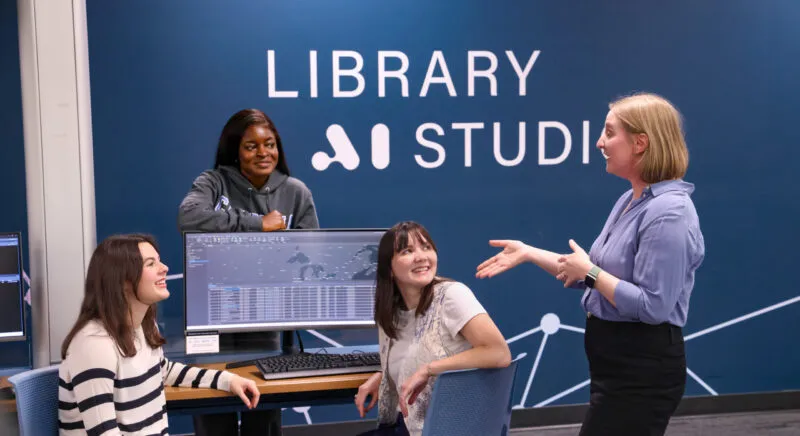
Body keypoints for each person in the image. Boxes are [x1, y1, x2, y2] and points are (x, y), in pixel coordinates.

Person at [476, 93, 705, 436]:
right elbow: (587, 272)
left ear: (641, 142)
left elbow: (653, 305)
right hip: (615, 366)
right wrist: (528, 252)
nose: (600, 142)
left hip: (643, 370)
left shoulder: (668, 212)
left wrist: (592, 273)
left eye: (610, 133)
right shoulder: (631, 199)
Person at [178, 108, 319, 436]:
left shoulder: (296, 192)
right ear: (234, 150)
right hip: (210, 313)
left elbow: (313, 256)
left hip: (266, 314)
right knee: (212, 410)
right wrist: (258, 224)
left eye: (269, 144)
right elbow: (188, 219)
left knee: (262, 413)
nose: (263, 153)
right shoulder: (213, 182)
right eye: (251, 146)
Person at [58, 234, 260, 436]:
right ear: (122, 280)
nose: (164, 268)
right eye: (150, 264)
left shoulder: (144, 326)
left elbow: (164, 371)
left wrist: (228, 380)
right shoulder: (94, 344)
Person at [355, 221, 511, 436]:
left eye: (426, 247)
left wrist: (429, 369)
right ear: (389, 269)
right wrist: (383, 376)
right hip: (408, 425)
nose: (421, 256)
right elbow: (413, 355)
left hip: (446, 428)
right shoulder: (390, 312)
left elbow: (498, 353)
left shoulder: (451, 296)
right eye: (407, 251)